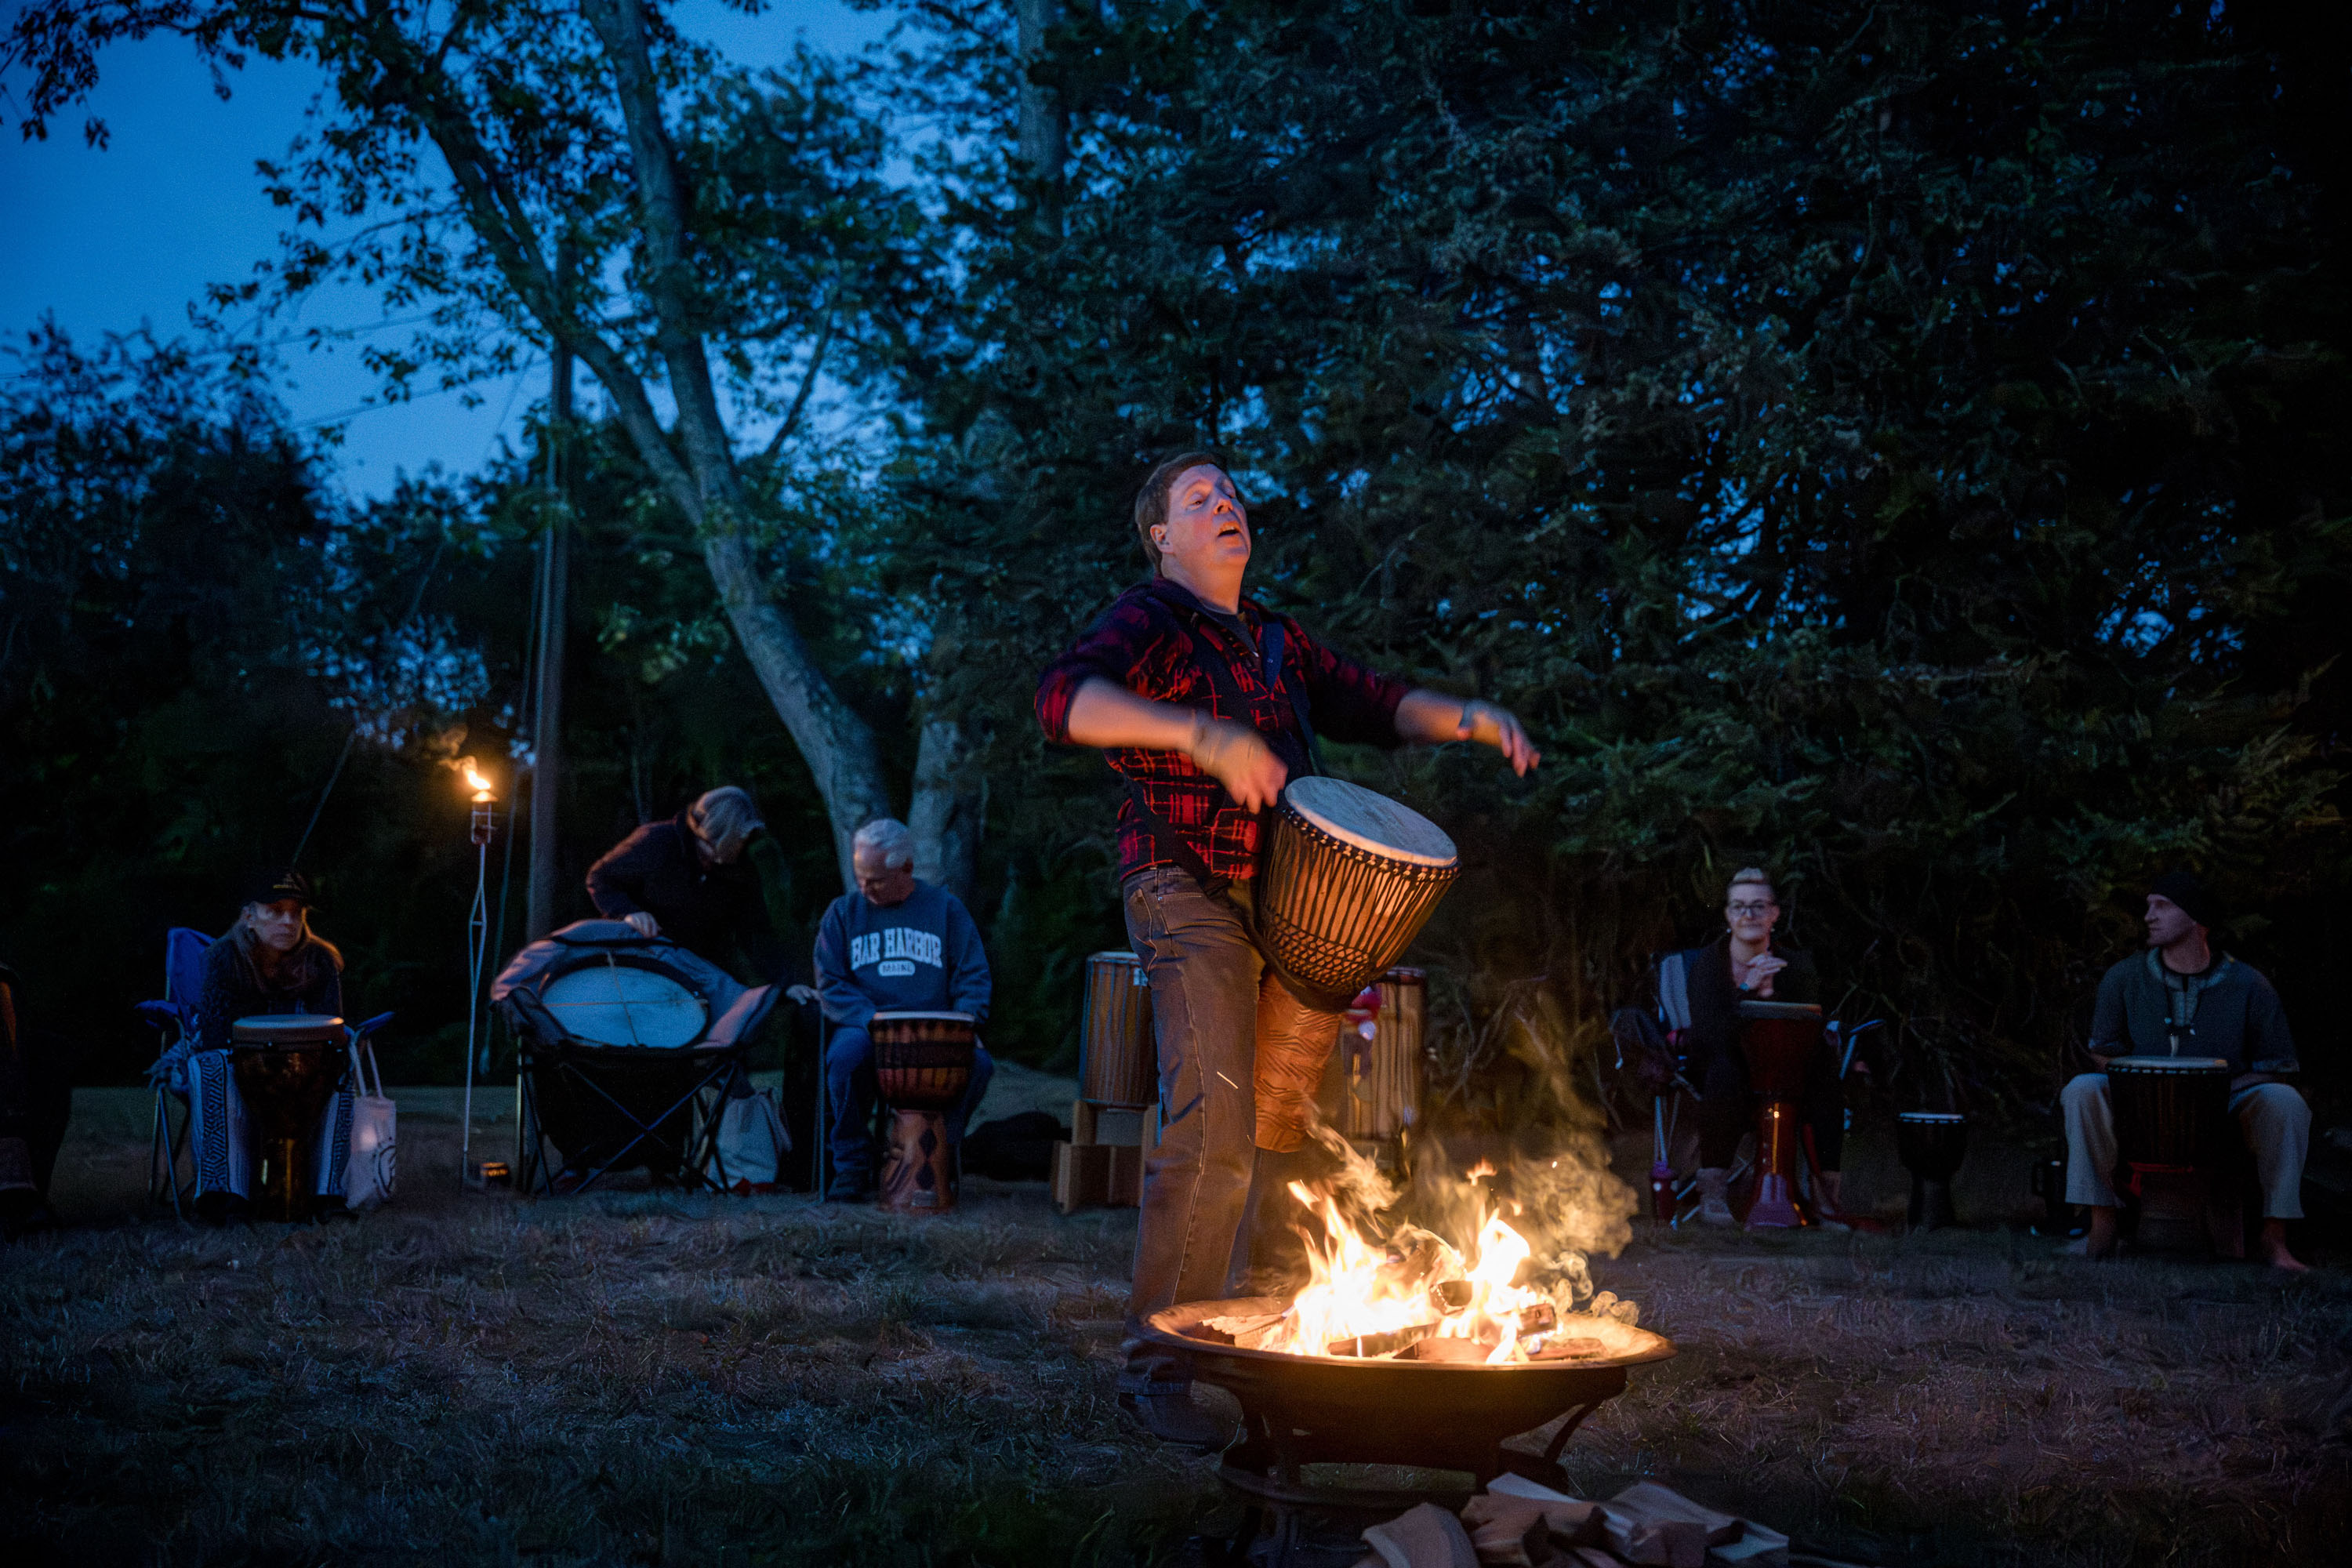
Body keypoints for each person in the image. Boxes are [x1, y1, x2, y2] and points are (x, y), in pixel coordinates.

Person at [1034, 452, 1540, 1448]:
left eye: (1229, 492)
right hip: (1183, 886)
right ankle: (1156, 1367)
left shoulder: (1278, 638)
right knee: (1215, 1119)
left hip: (1284, 903)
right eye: (1197, 499)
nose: (1223, 504)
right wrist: (1199, 735)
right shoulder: (1149, 620)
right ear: (1160, 537)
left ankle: (1272, 1332)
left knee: (1278, 1129)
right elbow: (1065, 702)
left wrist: (1474, 718)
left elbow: (1382, 703)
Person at [2061, 871, 2307, 1270]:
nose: (2149, 916)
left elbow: (2278, 1066)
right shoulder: (2124, 977)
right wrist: (2150, 1086)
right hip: (2140, 1104)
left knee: (2285, 1102)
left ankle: (2274, 1238)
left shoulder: (2249, 984)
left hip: (2225, 1106)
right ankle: (2101, 1224)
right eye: (2148, 906)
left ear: (2195, 918)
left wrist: (2210, 1090)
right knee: (2082, 1089)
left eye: (2162, 906)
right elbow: (2103, 1051)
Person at [813, 818, 995, 1200]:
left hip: (934, 1032)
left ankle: (939, 1152)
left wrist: (966, 1024)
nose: (865, 887)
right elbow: (830, 981)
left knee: (979, 1065)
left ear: (907, 868)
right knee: (844, 1060)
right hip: (866, 1028)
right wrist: (869, 1018)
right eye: (860, 876)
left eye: (876, 879)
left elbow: (973, 976)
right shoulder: (844, 913)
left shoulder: (945, 909)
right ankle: (852, 1165)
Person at [1657, 867, 1846, 1227]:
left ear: (1774, 914)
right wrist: (1747, 990)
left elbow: (1808, 1025)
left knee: (1823, 1071)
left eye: (1759, 907)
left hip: (1785, 1067)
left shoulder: (1797, 965)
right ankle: (1713, 1192)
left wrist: (1773, 991)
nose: (1749, 916)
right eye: (1739, 907)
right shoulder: (1708, 967)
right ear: (1728, 915)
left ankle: (1826, 1197)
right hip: (1723, 1069)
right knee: (1726, 1068)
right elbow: (1712, 1036)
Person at [176, 869, 352, 1221]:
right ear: (249, 917)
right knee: (212, 1066)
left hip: (304, 1065)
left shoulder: (319, 960)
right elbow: (215, 1034)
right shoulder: (225, 958)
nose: (288, 921)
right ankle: (225, 1194)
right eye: (275, 910)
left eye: (296, 912)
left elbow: (328, 1028)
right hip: (240, 1064)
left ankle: (326, 1195)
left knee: (340, 1068)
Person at [586, 786, 792, 982]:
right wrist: (628, 913)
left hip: (696, 971)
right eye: (737, 838)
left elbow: (756, 932)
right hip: (640, 960)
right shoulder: (658, 842)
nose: (742, 843)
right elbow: (600, 878)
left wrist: (786, 983)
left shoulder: (739, 870)